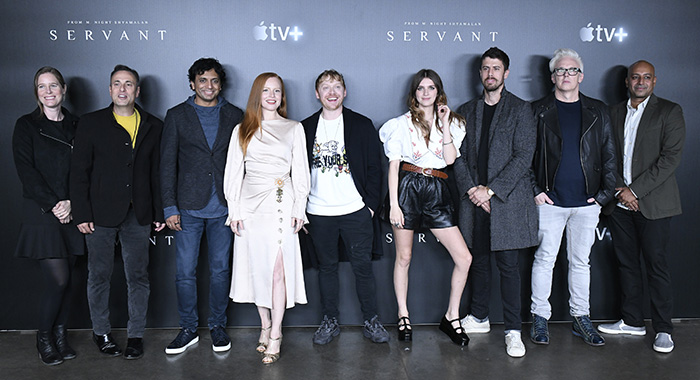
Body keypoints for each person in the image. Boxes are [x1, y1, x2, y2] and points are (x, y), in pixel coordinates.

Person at [70, 64, 165, 360]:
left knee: (137, 277)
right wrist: (83, 213)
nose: (122, 89)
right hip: (99, 214)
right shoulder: (90, 123)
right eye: (117, 84)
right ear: (110, 89)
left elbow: (156, 173)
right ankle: (102, 332)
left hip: (138, 215)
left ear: (137, 91)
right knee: (99, 275)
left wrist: (159, 212)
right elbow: (79, 173)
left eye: (128, 84)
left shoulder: (153, 125)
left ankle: (135, 335)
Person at [453, 47, 538, 358]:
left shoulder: (520, 109)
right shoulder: (465, 110)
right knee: (480, 262)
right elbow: (457, 156)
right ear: (480, 73)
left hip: (507, 202)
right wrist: (474, 191)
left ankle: (514, 331)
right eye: (486, 68)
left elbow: (522, 158)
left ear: (506, 73)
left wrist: (489, 191)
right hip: (474, 201)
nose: (491, 73)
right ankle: (478, 316)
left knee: (509, 268)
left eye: (496, 68)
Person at [530, 48, 616, 347]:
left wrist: (604, 196)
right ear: (552, 76)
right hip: (550, 202)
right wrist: (535, 191)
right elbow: (525, 157)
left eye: (572, 70)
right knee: (544, 261)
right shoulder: (537, 110)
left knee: (581, 263)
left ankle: (581, 318)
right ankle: (540, 318)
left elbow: (609, 155)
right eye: (561, 71)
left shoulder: (598, 110)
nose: (566, 75)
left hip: (587, 203)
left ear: (581, 75)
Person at [379, 69, 472, 345]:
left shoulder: (452, 122)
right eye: (421, 88)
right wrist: (394, 204)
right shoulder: (399, 124)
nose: (426, 93)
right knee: (404, 257)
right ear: (414, 93)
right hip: (408, 185)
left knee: (464, 258)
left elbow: (451, 159)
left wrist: (443, 124)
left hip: (437, 188)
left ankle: (451, 317)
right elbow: (393, 166)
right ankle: (403, 314)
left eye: (431, 88)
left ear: (438, 91)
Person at [598, 60, 685, 353]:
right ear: (627, 81)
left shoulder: (670, 111)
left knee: (656, 267)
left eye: (647, 77)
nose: (641, 82)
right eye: (635, 77)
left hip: (655, 205)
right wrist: (622, 191)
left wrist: (634, 190)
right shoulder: (612, 113)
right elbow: (606, 157)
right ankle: (632, 321)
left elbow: (670, 159)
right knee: (627, 266)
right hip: (619, 204)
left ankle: (663, 329)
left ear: (655, 81)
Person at [223, 72, 310, 364]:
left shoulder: (294, 128)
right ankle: (265, 324)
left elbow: (301, 173)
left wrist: (300, 208)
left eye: (277, 91)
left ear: (282, 96)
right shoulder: (242, 129)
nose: (272, 96)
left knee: (277, 271)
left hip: (281, 203)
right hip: (250, 206)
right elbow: (234, 172)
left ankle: (277, 333)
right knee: (256, 268)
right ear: (257, 95)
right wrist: (234, 210)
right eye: (266, 90)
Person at [160, 58, 243, 354]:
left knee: (221, 270)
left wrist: (240, 206)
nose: (209, 86)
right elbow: (167, 164)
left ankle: (218, 326)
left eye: (214, 80)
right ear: (192, 83)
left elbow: (243, 163)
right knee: (185, 272)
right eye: (202, 80)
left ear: (221, 84)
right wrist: (169, 206)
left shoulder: (235, 115)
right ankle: (188, 329)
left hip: (224, 207)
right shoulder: (177, 115)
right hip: (187, 208)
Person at [301, 70, 389, 345]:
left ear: (344, 91)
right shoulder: (304, 129)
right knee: (326, 269)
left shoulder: (361, 125)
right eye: (326, 87)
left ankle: (371, 320)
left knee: (362, 268)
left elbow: (376, 168)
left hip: (355, 211)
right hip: (318, 212)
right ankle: (329, 321)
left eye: (337, 86)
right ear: (317, 94)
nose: (332, 92)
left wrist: (370, 207)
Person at [12, 66, 85, 365]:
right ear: (36, 93)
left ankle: (60, 336)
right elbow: (26, 172)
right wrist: (56, 204)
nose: (49, 91)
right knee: (58, 280)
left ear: (64, 89)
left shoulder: (78, 125)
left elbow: (85, 170)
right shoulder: (26, 125)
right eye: (42, 87)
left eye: (53, 85)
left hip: (72, 210)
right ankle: (44, 339)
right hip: (43, 211)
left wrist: (72, 203)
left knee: (70, 281)